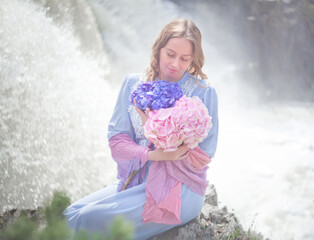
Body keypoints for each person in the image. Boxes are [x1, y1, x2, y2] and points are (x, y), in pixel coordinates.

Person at [64, 18, 219, 240]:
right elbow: (117, 140)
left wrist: (163, 137)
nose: (175, 64)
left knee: (89, 219)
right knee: (69, 215)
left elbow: (204, 155)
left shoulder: (203, 92)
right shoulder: (132, 84)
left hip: (179, 189)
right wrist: (153, 154)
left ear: (193, 60)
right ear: (158, 49)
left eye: (185, 59)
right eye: (170, 54)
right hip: (136, 180)